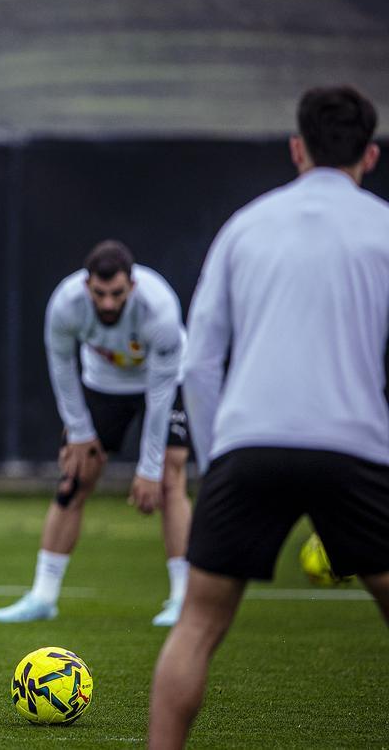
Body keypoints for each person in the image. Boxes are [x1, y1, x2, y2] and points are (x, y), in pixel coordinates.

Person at [149, 85, 389, 748]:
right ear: (370, 154)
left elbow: (198, 363)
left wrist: (218, 455)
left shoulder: (245, 226)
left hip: (249, 446)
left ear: (297, 148)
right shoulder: (384, 227)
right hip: (357, 447)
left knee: (197, 623)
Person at [0, 240, 191, 627]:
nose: (108, 304)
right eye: (100, 294)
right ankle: (43, 597)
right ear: (87, 286)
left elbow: (161, 397)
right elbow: (62, 367)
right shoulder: (66, 304)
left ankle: (182, 599)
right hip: (102, 385)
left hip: (162, 383)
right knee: (75, 477)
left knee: (170, 474)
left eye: (117, 294)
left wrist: (148, 469)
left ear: (131, 286)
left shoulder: (160, 310)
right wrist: (80, 432)